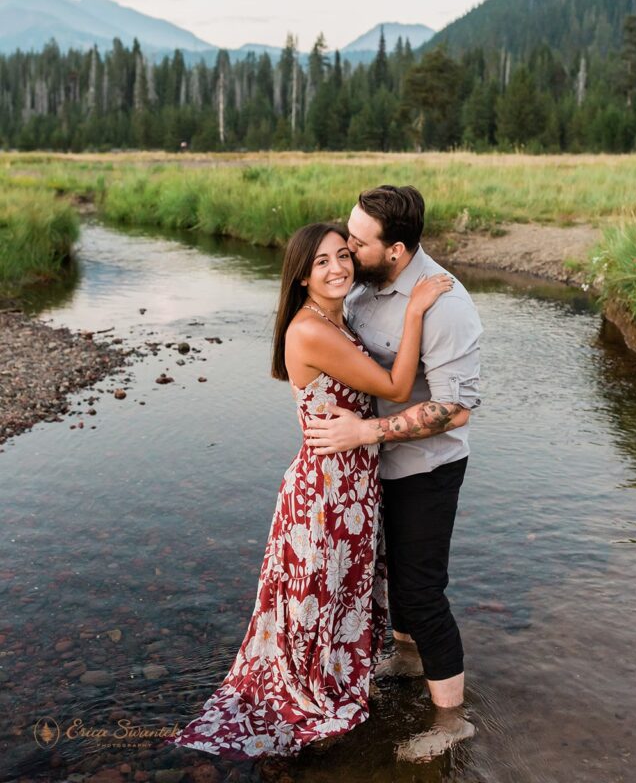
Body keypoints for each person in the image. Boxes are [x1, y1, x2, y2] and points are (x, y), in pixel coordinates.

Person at [167, 221, 453, 759]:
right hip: (326, 493)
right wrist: (414, 310)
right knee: (315, 597)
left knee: (339, 593)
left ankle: (341, 677)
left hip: (352, 486)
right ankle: (314, 689)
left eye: (344, 256)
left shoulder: (337, 319)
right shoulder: (311, 330)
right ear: (301, 276)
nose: (338, 268)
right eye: (322, 262)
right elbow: (393, 387)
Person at [305, 185, 482, 761]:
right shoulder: (363, 282)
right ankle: (406, 658)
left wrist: (366, 431)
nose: (347, 249)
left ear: (397, 249)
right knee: (388, 573)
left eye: (357, 242)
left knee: (422, 590)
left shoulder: (446, 304)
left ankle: (452, 720)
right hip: (366, 471)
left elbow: (455, 408)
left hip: (425, 470)